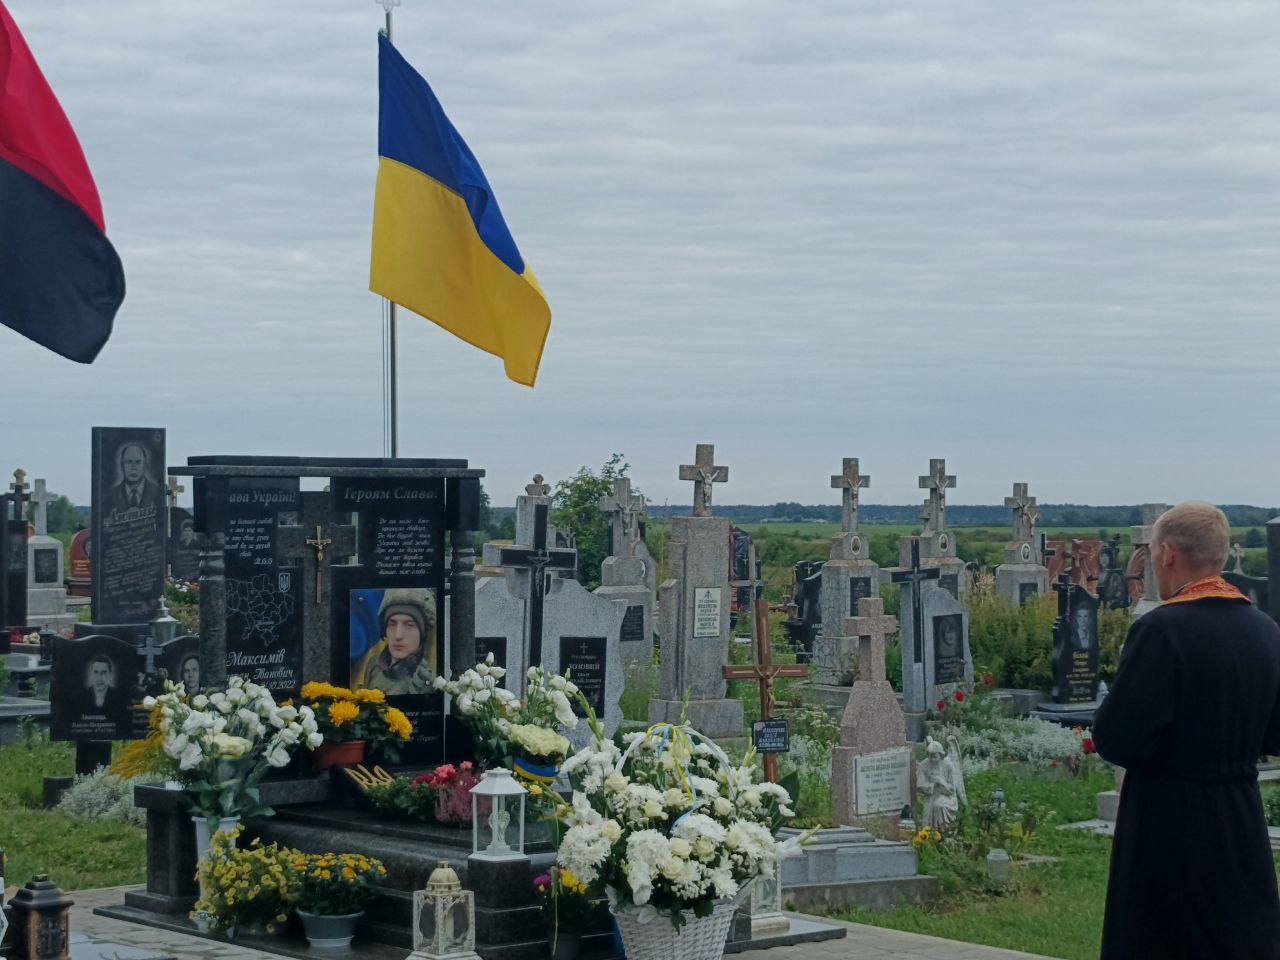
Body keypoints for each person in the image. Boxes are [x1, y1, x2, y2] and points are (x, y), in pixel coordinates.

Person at [1093, 501, 1280, 959]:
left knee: (1167, 939)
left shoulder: (1162, 629)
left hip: (1169, 819)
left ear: (1167, 553)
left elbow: (1118, 738)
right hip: (1241, 818)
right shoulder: (1265, 630)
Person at [351, 589, 436, 695]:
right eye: (391, 624)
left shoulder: (425, 681)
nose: (398, 635)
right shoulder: (373, 666)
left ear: (422, 633)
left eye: (409, 625)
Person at [108, 441, 160, 514]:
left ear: (145, 465)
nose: (133, 467)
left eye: (138, 462)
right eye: (129, 462)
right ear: (122, 466)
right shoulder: (111, 494)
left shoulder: (157, 492)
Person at [77, 654, 129, 727]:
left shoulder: (120, 698)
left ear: (110, 674)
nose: (99, 678)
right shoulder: (80, 698)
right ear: (91, 674)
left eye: (103, 672)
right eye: (96, 672)